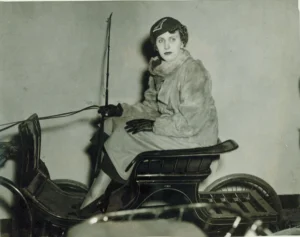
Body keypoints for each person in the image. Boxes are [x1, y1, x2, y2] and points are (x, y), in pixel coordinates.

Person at [80, 16, 219, 212]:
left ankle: (95, 196)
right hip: (175, 130)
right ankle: (112, 191)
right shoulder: (160, 70)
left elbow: (191, 124)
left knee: (124, 137)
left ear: (182, 41)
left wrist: (154, 126)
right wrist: (121, 110)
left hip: (194, 140)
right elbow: (151, 108)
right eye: (161, 40)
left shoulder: (193, 71)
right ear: (155, 46)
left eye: (173, 38)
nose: (167, 45)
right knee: (111, 124)